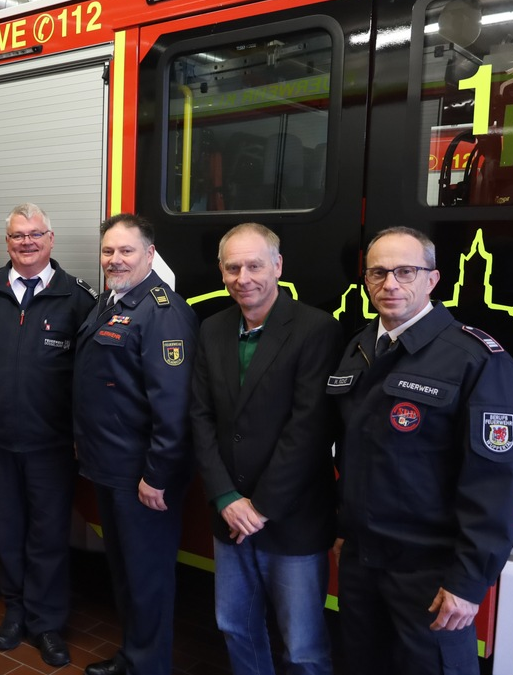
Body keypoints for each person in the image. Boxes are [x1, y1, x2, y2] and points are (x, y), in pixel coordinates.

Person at [326, 226, 513, 675]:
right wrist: (342, 526)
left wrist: (468, 580)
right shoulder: (358, 347)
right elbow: (353, 451)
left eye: (405, 272)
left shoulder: (475, 358)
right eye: (378, 273)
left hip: (429, 573)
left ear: (432, 280)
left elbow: (493, 481)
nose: (390, 284)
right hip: (361, 562)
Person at [0, 203, 97, 667]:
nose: (26, 242)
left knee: (48, 537)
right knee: (8, 532)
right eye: (17, 235)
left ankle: (46, 623)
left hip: (52, 446)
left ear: (51, 239)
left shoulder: (77, 298)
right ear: (6, 242)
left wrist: (80, 432)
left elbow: (90, 377)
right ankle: (14, 612)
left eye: (35, 234)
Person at [190, 223, 341, 675]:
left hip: (291, 518)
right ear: (221, 272)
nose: (244, 278)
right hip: (230, 516)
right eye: (233, 267)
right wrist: (225, 497)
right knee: (235, 626)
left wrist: (259, 508)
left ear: (277, 266)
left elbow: (309, 430)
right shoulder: (212, 329)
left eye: (254, 266)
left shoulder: (316, 330)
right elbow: (200, 417)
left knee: (303, 647)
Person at [73, 214, 198, 675]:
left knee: (147, 578)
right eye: (108, 250)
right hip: (112, 467)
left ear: (149, 254)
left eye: (126, 250)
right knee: (125, 572)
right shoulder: (110, 302)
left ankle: (149, 666)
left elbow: (174, 407)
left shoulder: (162, 312)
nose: (115, 259)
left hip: (142, 477)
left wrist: (156, 475)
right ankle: (133, 657)